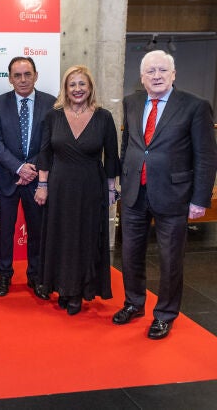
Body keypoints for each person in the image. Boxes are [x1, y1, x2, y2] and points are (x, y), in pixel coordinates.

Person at [113, 50, 217, 339]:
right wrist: (124, 177)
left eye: (162, 70)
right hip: (135, 193)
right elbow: (130, 145)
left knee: (171, 259)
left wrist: (199, 199)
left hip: (175, 195)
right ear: (142, 77)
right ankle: (134, 303)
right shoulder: (131, 102)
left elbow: (206, 157)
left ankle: (165, 314)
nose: (156, 76)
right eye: (150, 72)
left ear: (173, 74)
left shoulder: (195, 107)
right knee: (130, 254)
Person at [34, 65, 120, 316]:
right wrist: (42, 185)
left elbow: (112, 156)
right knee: (60, 237)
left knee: (86, 238)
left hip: (90, 187)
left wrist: (112, 189)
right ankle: (61, 286)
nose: (77, 89)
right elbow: (45, 153)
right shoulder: (53, 116)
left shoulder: (103, 117)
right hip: (59, 187)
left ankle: (79, 291)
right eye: (72, 84)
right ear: (65, 88)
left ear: (90, 87)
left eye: (82, 84)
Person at [0, 57, 56, 299]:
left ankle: (36, 277)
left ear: (36, 75)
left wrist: (32, 168)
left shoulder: (51, 103)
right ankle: (4, 275)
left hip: (39, 181)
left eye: (27, 74)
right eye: (17, 75)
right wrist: (19, 168)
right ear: (9, 78)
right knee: (5, 231)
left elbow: (52, 142)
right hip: (7, 178)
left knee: (37, 231)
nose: (23, 79)